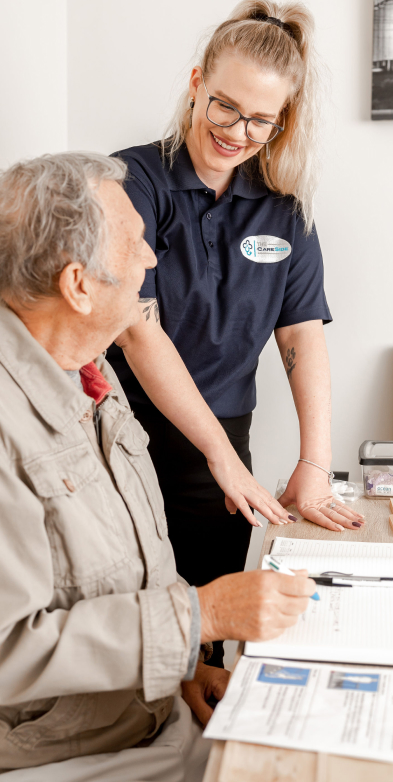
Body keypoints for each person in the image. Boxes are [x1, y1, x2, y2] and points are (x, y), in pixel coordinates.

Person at [0, 152, 315, 781]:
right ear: (79, 285)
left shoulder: (92, 373)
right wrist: (203, 616)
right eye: (138, 243)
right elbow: (10, 650)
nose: (152, 260)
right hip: (67, 755)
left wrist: (184, 668)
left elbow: (122, 572)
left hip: (152, 713)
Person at [108, 0, 365, 669]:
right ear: (196, 83)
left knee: (212, 627)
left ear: (281, 121)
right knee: (135, 621)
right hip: (124, 435)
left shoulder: (284, 210)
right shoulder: (130, 181)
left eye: (260, 118)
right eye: (224, 105)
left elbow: (300, 338)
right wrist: (222, 458)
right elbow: (138, 331)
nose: (236, 130)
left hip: (224, 435)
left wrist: (313, 466)